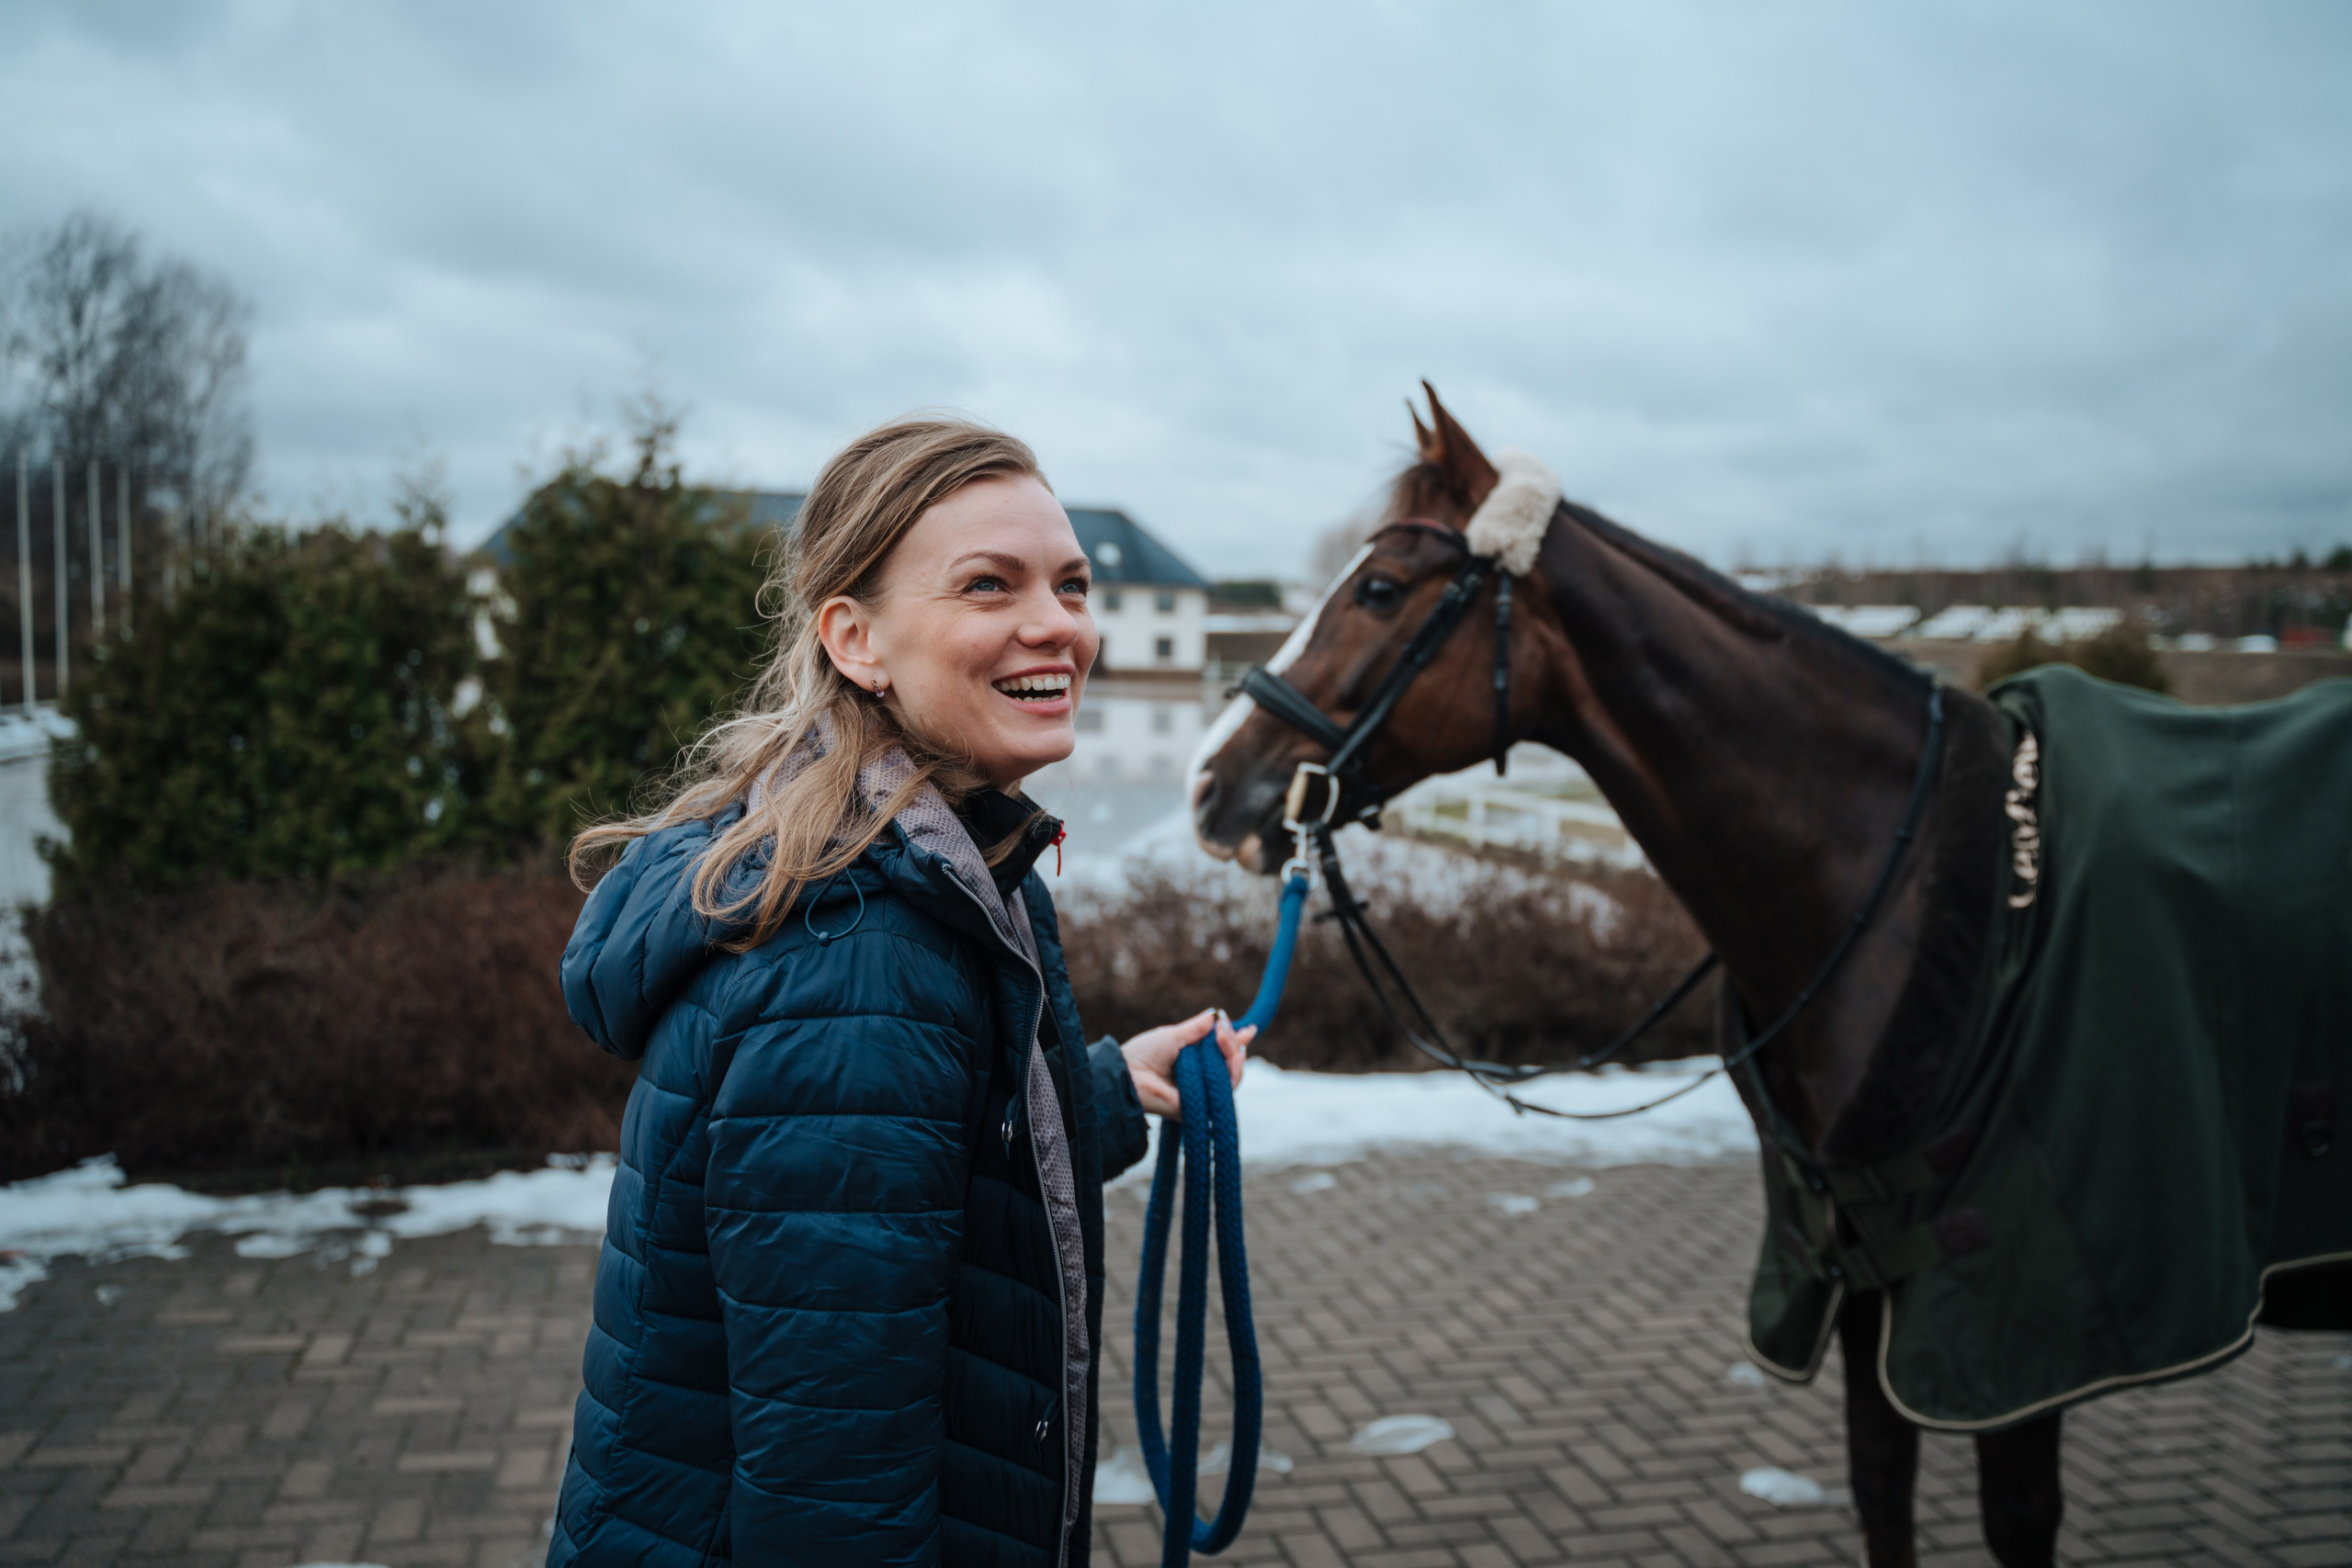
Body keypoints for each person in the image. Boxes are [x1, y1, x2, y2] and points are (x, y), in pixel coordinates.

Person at [547, 416, 1250, 1567]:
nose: (1057, 625)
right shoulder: (854, 946)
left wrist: (1109, 1091)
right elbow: (834, 1491)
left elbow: (918, 1145)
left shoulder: (922, 856)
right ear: (856, 641)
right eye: (990, 585)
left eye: (1070, 585)